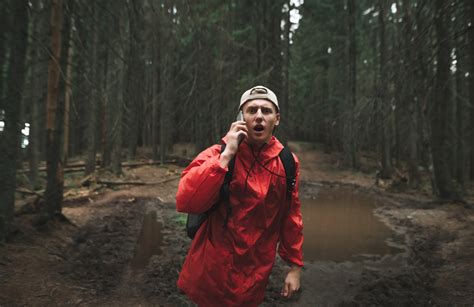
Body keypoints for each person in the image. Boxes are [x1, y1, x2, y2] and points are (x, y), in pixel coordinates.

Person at [176, 85, 303, 306]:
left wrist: (294, 267)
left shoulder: (287, 164)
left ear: (277, 119)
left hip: (255, 274)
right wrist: (226, 156)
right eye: (252, 110)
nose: (259, 117)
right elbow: (186, 200)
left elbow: (291, 216)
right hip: (212, 270)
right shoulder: (218, 154)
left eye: (266, 111)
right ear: (241, 117)